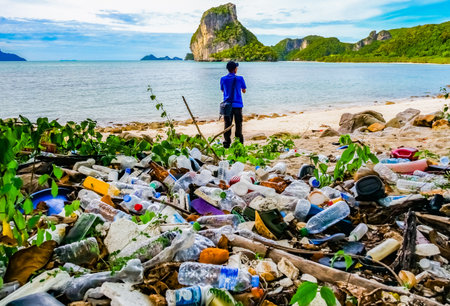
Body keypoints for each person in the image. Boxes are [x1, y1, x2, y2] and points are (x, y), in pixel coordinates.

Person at [220, 61, 246, 148]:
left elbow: (223, 90)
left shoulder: (223, 79)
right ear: (235, 69)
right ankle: (239, 143)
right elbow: (244, 90)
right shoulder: (240, 78)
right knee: (238, 124)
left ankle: (227, 143)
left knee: (227, 124)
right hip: (238, 105)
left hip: (227, 105)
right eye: (236, 67)